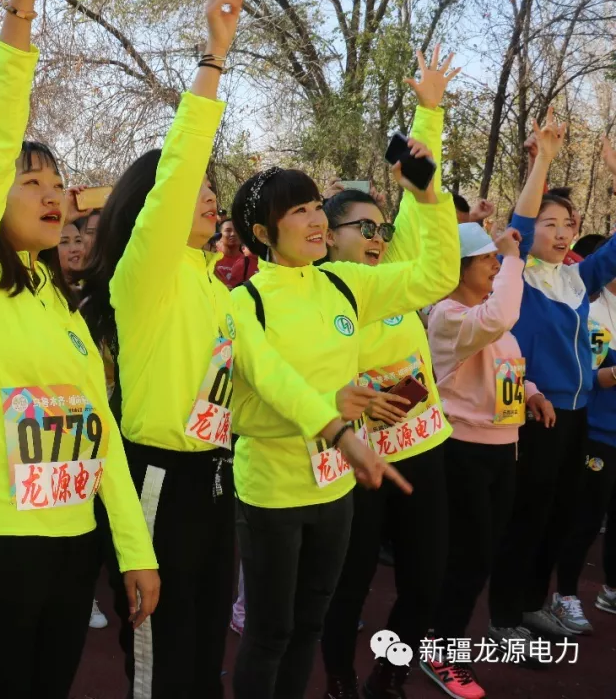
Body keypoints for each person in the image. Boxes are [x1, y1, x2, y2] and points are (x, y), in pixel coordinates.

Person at [78, 0, 385, 695]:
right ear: (154, 209)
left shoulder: (219, 291)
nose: (209, 193)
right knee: (161, 653)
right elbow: (178, 168)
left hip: (217, 478)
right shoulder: (145, 279)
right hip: (159, 480)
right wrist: (214, 59)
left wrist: (335, 425)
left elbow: (264, 374)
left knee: (205, 649)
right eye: (194, 187)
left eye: (212, 185)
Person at [0, 0, 158, 695]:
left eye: (58, 182)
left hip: (72, 545)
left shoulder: (63, 304)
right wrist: (22, 11)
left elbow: (99, 432)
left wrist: (133, 549)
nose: (53, 194)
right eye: (31, 182)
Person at [228, 129, 458, 697]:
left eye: (315, 207)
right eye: (297, 212)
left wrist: (428, 198)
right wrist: (334, 421)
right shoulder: (244, 302)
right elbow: (267, 388)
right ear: (262, 233)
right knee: (270, 633)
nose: (314, 221)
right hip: (273, 493)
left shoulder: (343, 283)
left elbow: (435, 276)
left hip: (335, 490)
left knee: (309, 625)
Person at [320, 46, 460, 699]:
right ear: (327, 236)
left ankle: (391, 674)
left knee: (426, 580)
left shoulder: (397, 269)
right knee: (346, 587)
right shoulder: (318, 294)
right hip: (358, 463)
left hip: (424, 448)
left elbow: (419, 191)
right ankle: (340, 680)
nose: (379, 237)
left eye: (382, 228)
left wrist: (429, 112)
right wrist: (351, 401)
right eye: (363, 228)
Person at [490, 115, 616, 642]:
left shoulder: (577, 278)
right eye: (551, 223)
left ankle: (530, 604)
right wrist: (543, 158)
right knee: (525, 516)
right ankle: (502, 617)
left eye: (568, 223)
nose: (563, 232)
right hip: (532, 411)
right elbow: (519, 221)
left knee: (558, 518)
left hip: (577, 415)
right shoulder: (514, 271)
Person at [424, 216, 554, 695]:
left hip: (501, 449)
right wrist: (516, 258)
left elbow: (504, 360)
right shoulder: (449, 315)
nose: (495, 265)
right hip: (463, 451)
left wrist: (532, 392)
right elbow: (499, 319)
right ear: (457, 269)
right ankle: (441, 649)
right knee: (469, 556)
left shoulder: (481, 313)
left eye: (496, 259)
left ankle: (440, 636)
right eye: (486, 260)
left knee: (480, 553)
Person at [555, 233, 616, 622]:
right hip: (597, 433)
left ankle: (611, 590)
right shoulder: (591, 313)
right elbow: (585, 378)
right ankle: (565, 594)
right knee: (588, 518)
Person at [213, 218, 243, 284]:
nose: (233, 234)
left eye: (237, 230)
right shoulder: (212, 258)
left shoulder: (247, 262)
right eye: (228, 230)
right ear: (220, 235)